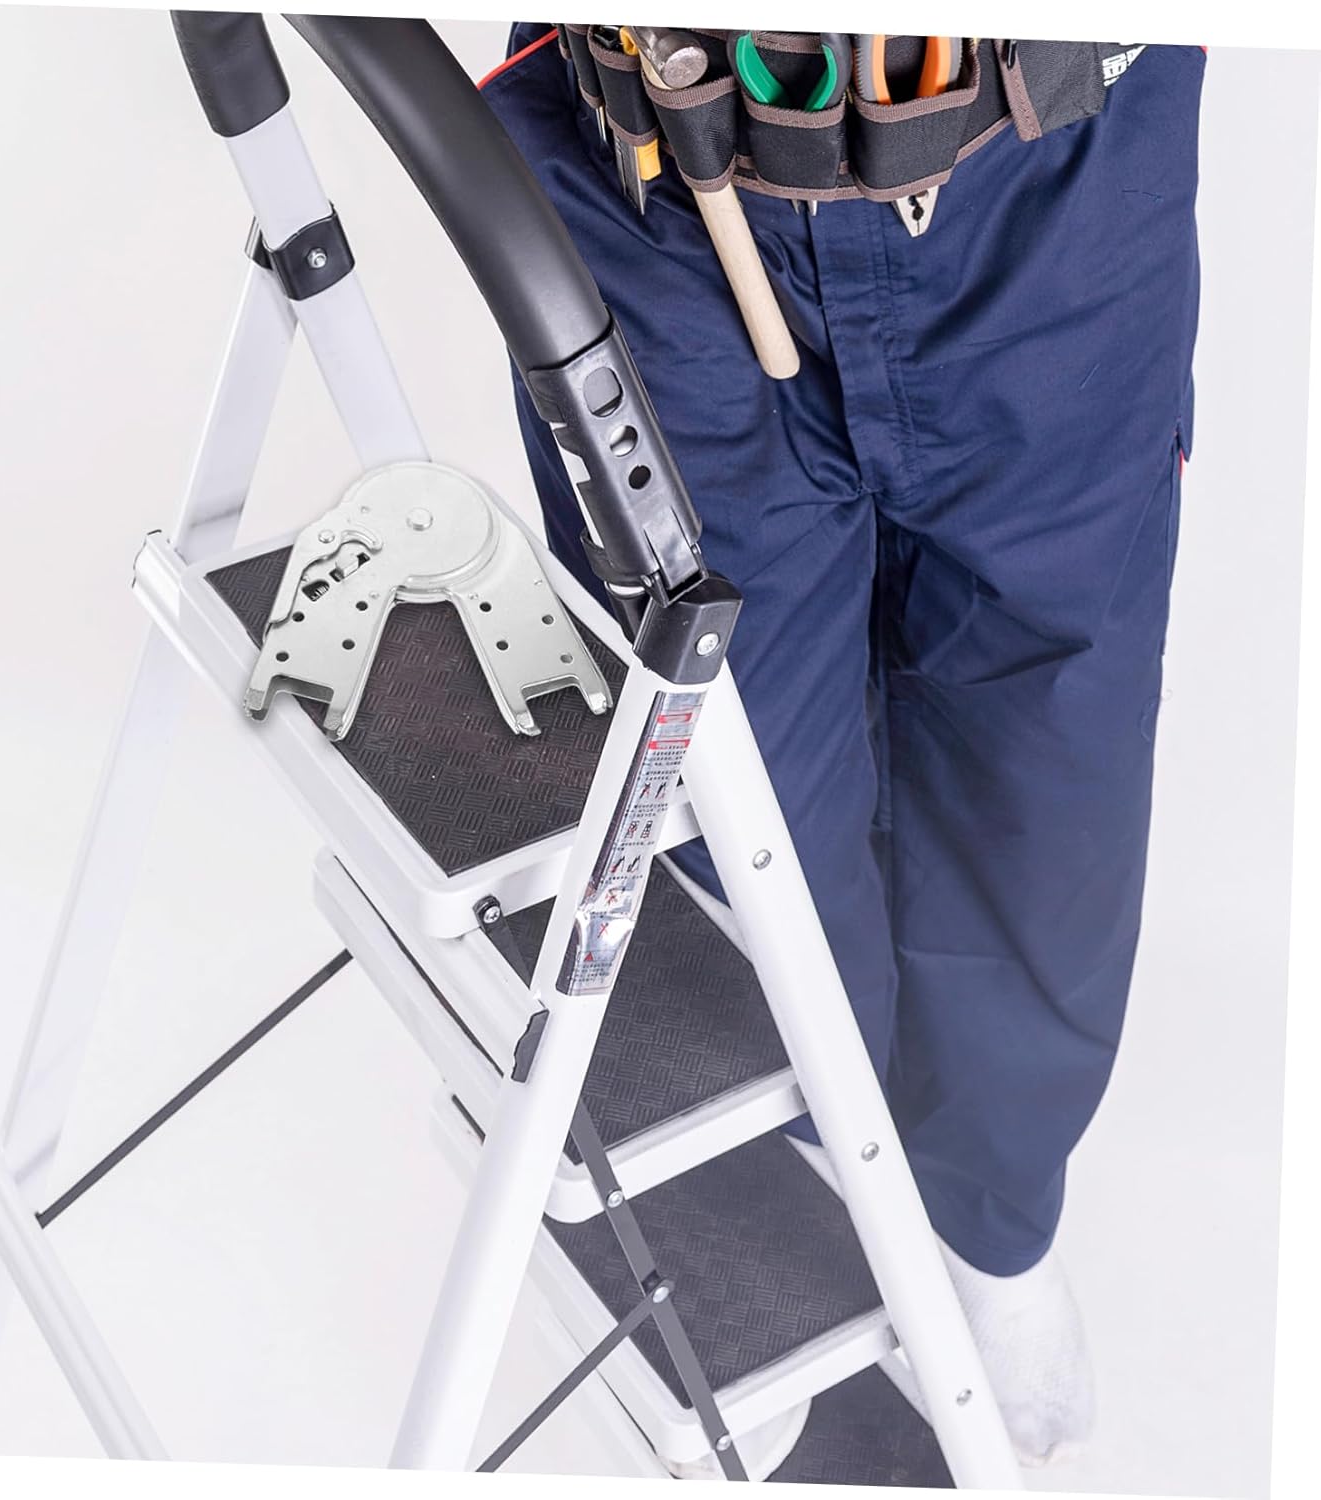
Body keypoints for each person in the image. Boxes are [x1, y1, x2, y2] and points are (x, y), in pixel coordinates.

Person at [480, 26, 1203, 1477]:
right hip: (655, 187)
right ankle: (807, 1212)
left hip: (1050, 177)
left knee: (1050, 778)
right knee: (737, 818)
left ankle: (988, 1224)